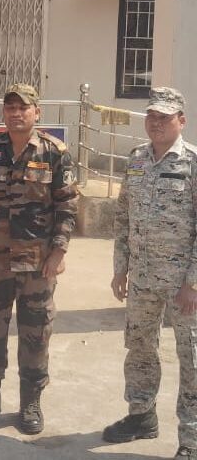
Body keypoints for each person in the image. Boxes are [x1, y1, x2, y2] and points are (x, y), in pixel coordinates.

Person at [0, 83, 78, 434]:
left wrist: (58, 251)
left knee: (35, 332)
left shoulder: (54, 151)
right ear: (4, 112)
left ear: (36, 112)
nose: (16, 113)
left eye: (23, 108)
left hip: (37, 263)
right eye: (10, 107)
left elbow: (67, 204)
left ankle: (31, 401)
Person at [103, 86, 197, 460]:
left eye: (165, 117)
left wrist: (193, 283)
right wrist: (120, 268)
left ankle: (191, 438)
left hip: (181, 285)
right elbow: (123, 215)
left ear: (181, 120)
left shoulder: (192, 163)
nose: (156, 123)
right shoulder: (137, 159)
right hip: (142, 279)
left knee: (191, 359)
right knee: (140, 349)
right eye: (152, 116)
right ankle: (141, 416)